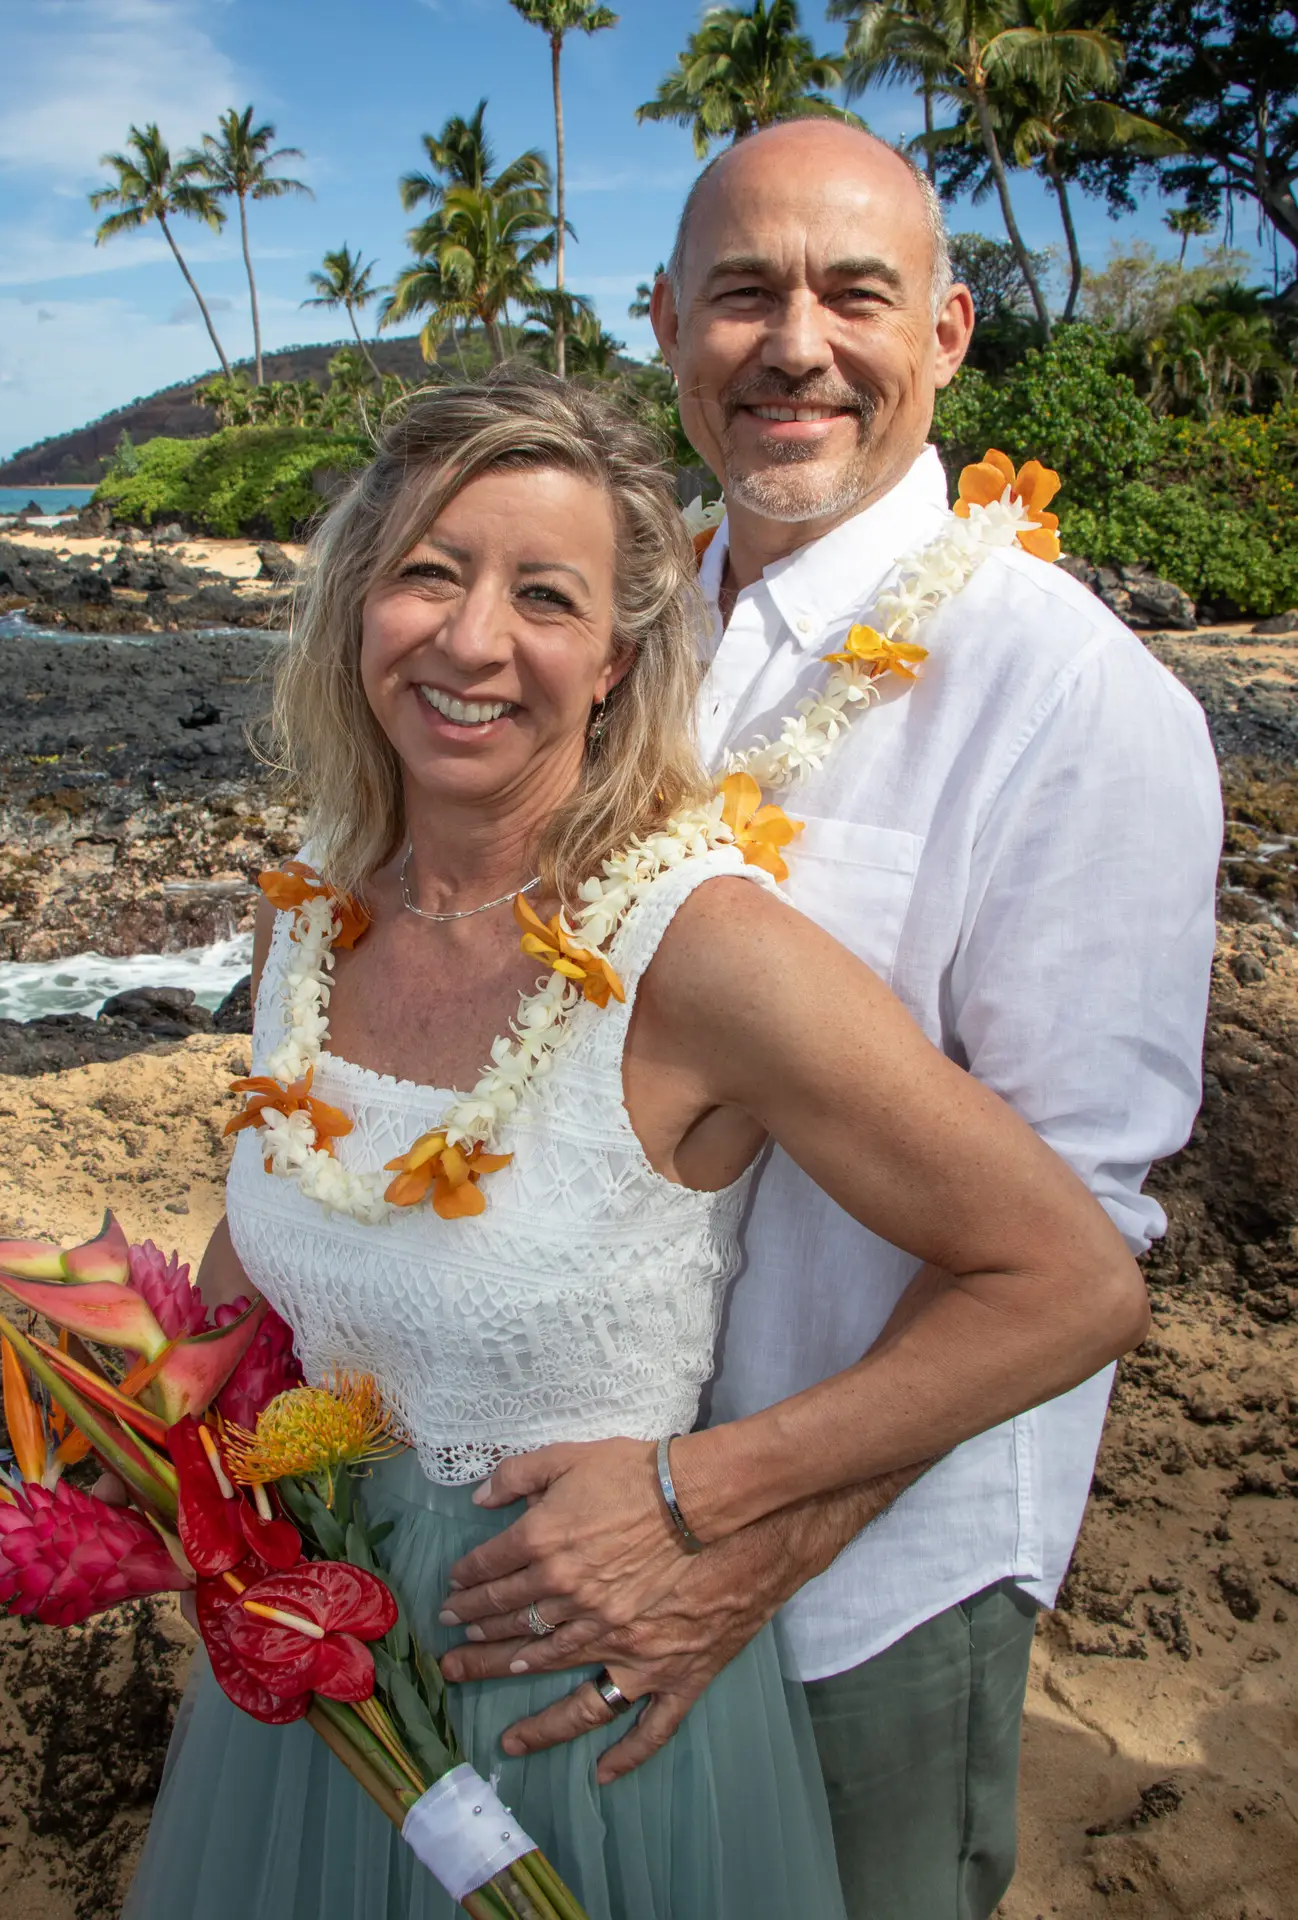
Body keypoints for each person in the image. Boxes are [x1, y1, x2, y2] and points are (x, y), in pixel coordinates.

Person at [121, 369, 1152, 1920]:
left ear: (614, 658)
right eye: (427, 572)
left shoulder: (699, 951)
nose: (472, 640)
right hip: (313, 1674)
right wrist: (168, 1438)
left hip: (569, 1695)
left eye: (544, 596)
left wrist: (695, 1492)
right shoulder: (311, 912)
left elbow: (1070, 1282)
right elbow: (271, 1232)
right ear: (356, 608)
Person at [437, 124, 1223, 1920]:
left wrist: (730, 1528)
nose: (795, 345)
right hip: (550, 1522)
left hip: (853, 1582)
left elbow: (1076, 1235)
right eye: (742, 293)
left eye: (852, 294)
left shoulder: (1071, 699)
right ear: (664, 325)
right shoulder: (603, 633)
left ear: (945, 333)